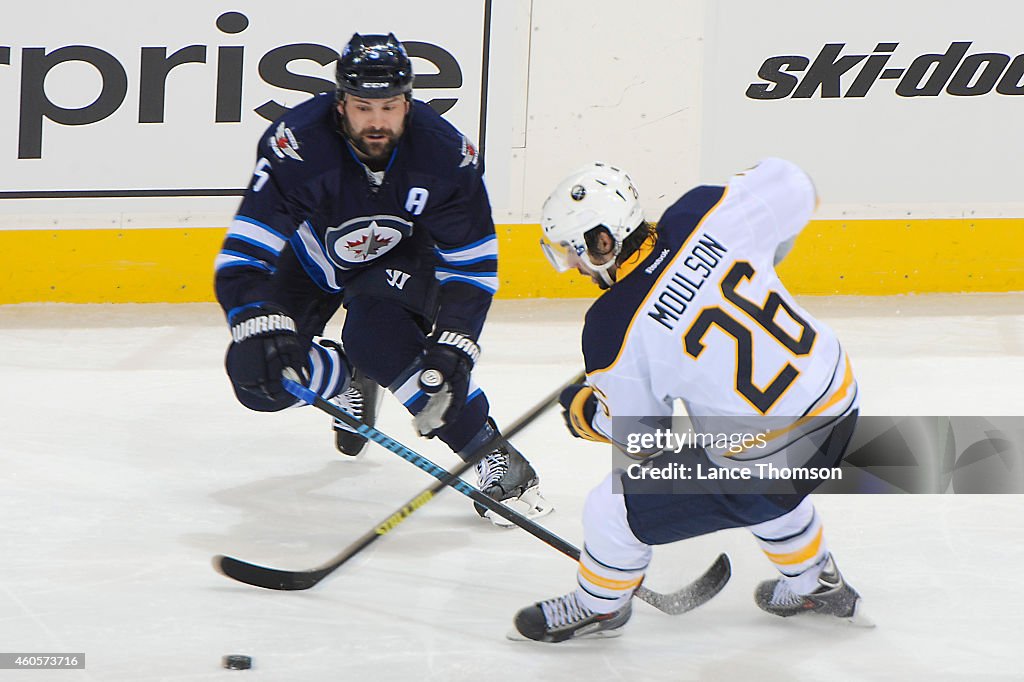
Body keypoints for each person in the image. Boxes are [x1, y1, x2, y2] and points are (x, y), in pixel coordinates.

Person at [510, 159, 868, 642]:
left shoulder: (612, 326)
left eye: (573, 251)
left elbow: (640, 439)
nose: (572, 265)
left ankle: (600, 608)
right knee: (742, 440)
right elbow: (793, 182)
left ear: (602, 241)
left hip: (769, 463)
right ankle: (814, 582)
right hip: (841, 404)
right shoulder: (704, 209)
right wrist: (758, 250)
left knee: (610, 508)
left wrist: (584, 412)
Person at [213, 33, 550, 525]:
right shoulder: (296, 144)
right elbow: (243, 256)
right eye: (363, 106)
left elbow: (472, 264)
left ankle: (492, 454)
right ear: (340, 103)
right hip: (312, 256)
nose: (376, 121)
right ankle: (346, 373)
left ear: (407, 104)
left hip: (404, 257)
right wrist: (253, 318)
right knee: (260, 383)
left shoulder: (444, 156)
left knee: (380, 341)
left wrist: (457, 341)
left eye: (389, 106)